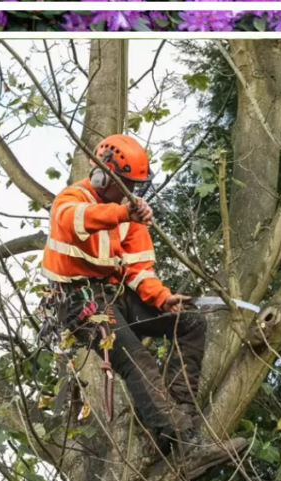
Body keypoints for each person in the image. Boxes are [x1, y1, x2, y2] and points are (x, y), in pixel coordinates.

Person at [40, 134, 204, 455]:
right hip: (77, 300)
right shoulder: (73, 199)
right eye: (127, 183)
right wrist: (122, 213)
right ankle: (181, 440)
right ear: (103, 176)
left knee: (190, 322)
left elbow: (139, 270)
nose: (134, 192)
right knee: (133, 356)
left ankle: (179, 410)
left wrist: (162, 298)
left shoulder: (130, 215)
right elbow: (74, 220)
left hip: (113, 295)